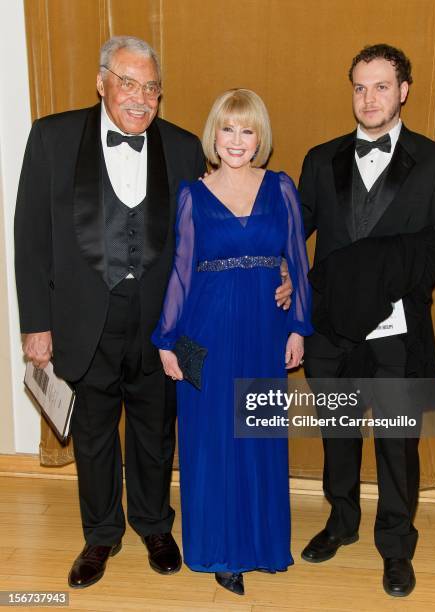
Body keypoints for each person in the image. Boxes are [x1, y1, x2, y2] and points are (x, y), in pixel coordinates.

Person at [14, 37, 292, 589]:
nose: (139, 98)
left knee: (155, 428)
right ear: (102, 81)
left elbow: (225, 223)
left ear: (160, 95)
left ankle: (153, 524)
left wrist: (278, 269)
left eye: (150, 88)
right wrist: (35, 324)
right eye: (127, 83)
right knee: (92, 433)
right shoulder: (51, 137)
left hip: (168, 322)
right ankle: (100, 535)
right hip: (82, 317)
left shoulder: (186, 146)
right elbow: (29, 239)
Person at [298, 44, 435, 597]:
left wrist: (396, 270)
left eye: (380, 86)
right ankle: (341, 522)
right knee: (338, 436)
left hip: (400, 334)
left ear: (403, 91)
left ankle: (396, 546)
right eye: (359, 87)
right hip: (333, 334)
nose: (368, 98)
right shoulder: (319, 159)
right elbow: (290, 234)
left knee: (398, 445)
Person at [152, 88, 313, 596]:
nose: (237, 140)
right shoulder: (191, 195)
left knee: (259, 437)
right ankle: (220, 553)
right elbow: (180, 274)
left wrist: (297, 327)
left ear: (260, 136)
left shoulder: (281, 187)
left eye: (247, 130)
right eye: (228, 128)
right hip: (206, 334)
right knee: (212, 442)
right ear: (213, 135)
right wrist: (166, 339)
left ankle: (263, 545)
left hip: (265, 332)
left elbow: (297, 261)